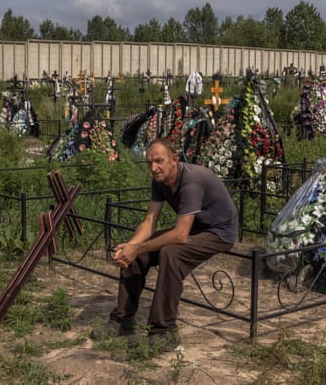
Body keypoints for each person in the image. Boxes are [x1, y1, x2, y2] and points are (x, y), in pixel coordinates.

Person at [95, 138, 238, 351]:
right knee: (137, 255)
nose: (153, 167)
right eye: (149, 162)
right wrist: (130, 247)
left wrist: (138, 248)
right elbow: (150, 221)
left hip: (219, 231)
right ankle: (123, 320)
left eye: (159, 161)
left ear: (174, 159)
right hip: (196, 228)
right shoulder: (160, 180)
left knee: (171, 253)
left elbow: (180, 236)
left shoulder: (191, 180)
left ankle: (164, 332)